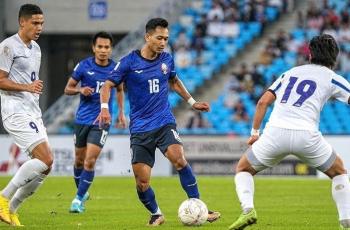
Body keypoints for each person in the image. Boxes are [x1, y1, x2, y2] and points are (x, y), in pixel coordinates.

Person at [97, 18, 221, 226]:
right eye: (159, 38)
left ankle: (200, 207)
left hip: (164, 122)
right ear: (147, 37)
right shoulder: (129, 62)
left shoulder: (167, 59)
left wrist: (192, 102)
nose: (163, 42)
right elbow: (107, 86)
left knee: (179, 159)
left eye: (166, 38)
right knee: (142, 182)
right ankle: (156, 213)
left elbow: (174, 81)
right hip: (140, 129)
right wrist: (105, 110)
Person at [228, 34, 350, 230]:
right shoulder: (333, 78)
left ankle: (248, 210)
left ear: (310, 54)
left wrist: (254, 133)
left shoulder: (291, 72)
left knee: (243, 169)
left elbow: (262, 102)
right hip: (307, 136)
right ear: (335, 57)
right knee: (339, 172)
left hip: (275, 133)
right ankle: (346, 222)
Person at [0, 4, 53, 226]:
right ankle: (3, 198)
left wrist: (31, 92)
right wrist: (28, 88)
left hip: (32, 111)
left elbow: (30, 81)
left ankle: (11, 210)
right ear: (22, 22)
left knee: (46, 166)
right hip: (14, 110)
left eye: (41, 23)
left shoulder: (36, 49)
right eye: (35, 23)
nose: (39, 27)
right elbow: (0, 80)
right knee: (45, 158)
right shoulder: (7, 47)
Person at [64, 31, 126, 213]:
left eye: (107, 47)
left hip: (102, 120)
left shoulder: (116, 69)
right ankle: (82, 193)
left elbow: (120, 90)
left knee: (90, 161)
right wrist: (80, 90)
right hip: (82, 119)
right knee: (78, 161)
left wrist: (121, 113)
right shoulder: (83, 66)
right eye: (100, 46)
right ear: (94, 48)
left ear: (111, 48)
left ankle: (77, 200)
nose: (103, 50)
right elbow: (67, 88)